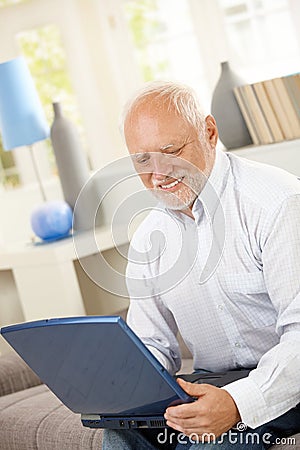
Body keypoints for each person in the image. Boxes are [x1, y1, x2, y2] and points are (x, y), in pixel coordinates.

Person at [103, 81, 300, 449]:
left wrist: (237, 403)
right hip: (212, 381)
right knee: (120, 431)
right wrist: (122, 384)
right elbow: (152, 343)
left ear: (209, 132)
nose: (158, 173)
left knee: (212, 442)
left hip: (288, 380)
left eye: (171, 151)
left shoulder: (277, 203)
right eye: (142, 160)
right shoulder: (150, 237)